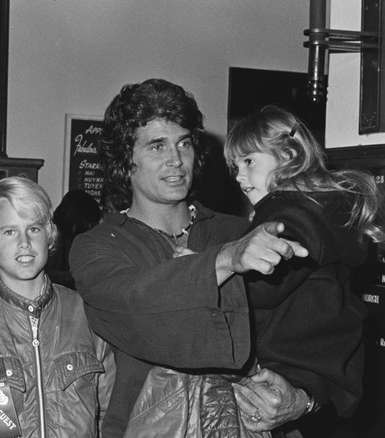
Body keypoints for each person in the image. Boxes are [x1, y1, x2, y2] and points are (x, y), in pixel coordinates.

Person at [69, 79, 312, 436]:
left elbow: (314, 325)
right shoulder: (98, 246)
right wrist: (225, 261)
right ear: (125, 160)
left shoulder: (241, 231)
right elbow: (137, 304)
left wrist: (304, 399)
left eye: (184, 143)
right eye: (157, 146)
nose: (176, 159)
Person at [224, 106, 384, 435]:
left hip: (282, 372)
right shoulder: (322, 211)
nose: (239, 177)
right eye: (235, 166)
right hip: (320, 381)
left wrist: (209, 267)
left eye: (249, 161)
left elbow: (257, 289)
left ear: (289, 154)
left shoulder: (286, 213)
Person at [0, 176, 114, 437]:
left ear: (50, 235)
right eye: (9, 231)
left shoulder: (88, 313)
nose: (24, 242)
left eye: (33, 228)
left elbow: (111, 418)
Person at [46, 189, 102, 289]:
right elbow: (46, 273)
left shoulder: (62, 234)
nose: (88, 227)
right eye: (88, 222)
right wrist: (80, 276)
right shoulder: (55, 235)